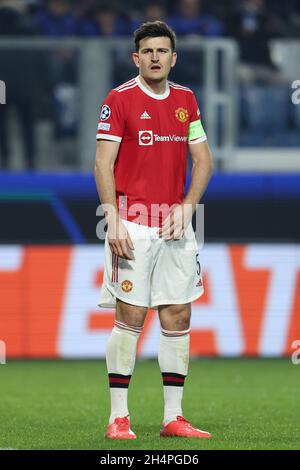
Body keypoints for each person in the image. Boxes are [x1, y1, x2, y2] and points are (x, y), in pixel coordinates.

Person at [94, 21, 213, 439]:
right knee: (131, 315)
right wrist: (112, 220)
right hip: (132, 223)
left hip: (176, 226)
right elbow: (102, 163)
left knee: (178, 314)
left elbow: (203, 160)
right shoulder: (119, 100)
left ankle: (172, 418)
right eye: (148, 51)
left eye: (163, 51)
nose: (156, 57)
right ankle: (118, 418)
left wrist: (187, 207)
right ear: (136, 58)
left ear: (173, 57)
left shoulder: (187, 100)